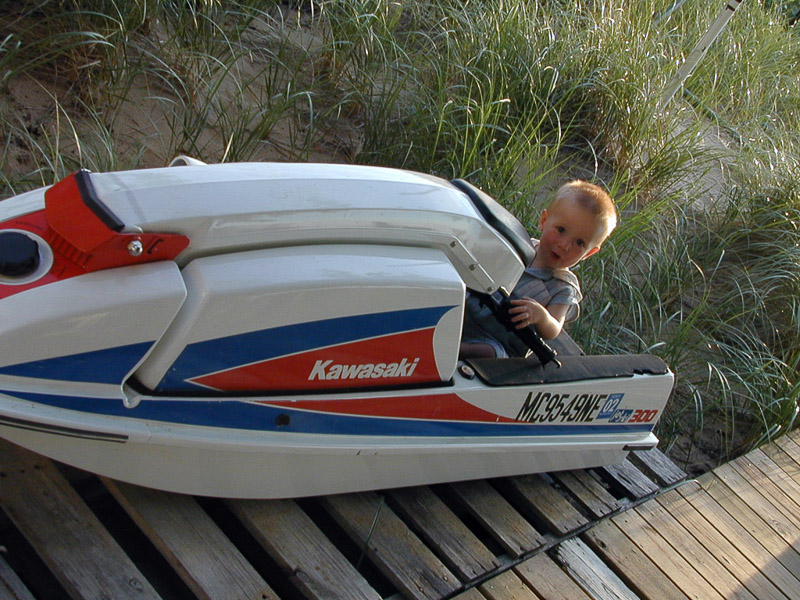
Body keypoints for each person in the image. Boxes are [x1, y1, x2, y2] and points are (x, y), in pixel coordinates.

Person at [460, 180, 617, 359]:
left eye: (579, 243)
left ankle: (456, 350)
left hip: (499, 340)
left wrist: (542, 317)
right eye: (561, 230)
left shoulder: (563, 288)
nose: (564, 245)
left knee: (491, 353)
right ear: (544, 221)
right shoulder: (520, 246)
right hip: (470, 310)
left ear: (589, 253)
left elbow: (554, 328)